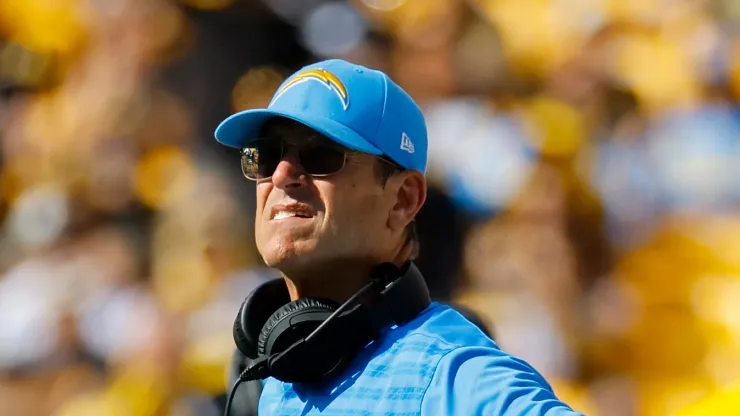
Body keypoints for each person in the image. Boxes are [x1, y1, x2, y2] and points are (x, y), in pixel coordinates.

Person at [215, 59, 583, 415]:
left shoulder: (454, 374)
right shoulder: (267, 377)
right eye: (264, 155)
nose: (280, 176)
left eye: (320, 155)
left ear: (403, 199)